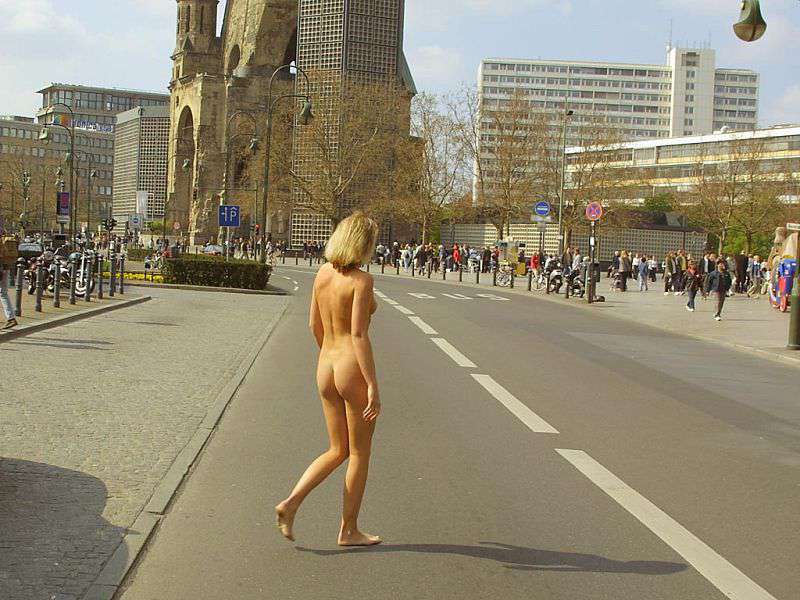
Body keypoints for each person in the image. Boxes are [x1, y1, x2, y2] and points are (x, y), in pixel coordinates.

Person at [276, 212, 382, 547]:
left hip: (326, 364)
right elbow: (359, 335)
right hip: (350, 365)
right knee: (359, 454)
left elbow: (313, 324)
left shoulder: (322, 273)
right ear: (363, 244)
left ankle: (291, 502)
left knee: (337, 449)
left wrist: (329, 356)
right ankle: (349, 530)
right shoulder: (362, 281)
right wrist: (372, 385)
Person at [1, 232, 18, 330]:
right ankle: (11, 318)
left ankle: (11, 318)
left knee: (2, 293)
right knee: (3, 292)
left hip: (1, 267)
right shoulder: (5, 234)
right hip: (6, 266)